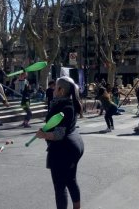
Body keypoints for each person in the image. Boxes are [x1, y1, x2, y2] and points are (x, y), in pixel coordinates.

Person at [35, 76, 84, 209]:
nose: (53, 89)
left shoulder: (64, 107)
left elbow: (59, 134)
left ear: (61, 90)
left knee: (60, 186)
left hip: (64, 150)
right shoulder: (69, 103)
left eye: (55, 87)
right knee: (71, 180)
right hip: (74, 145)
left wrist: (43, 134)